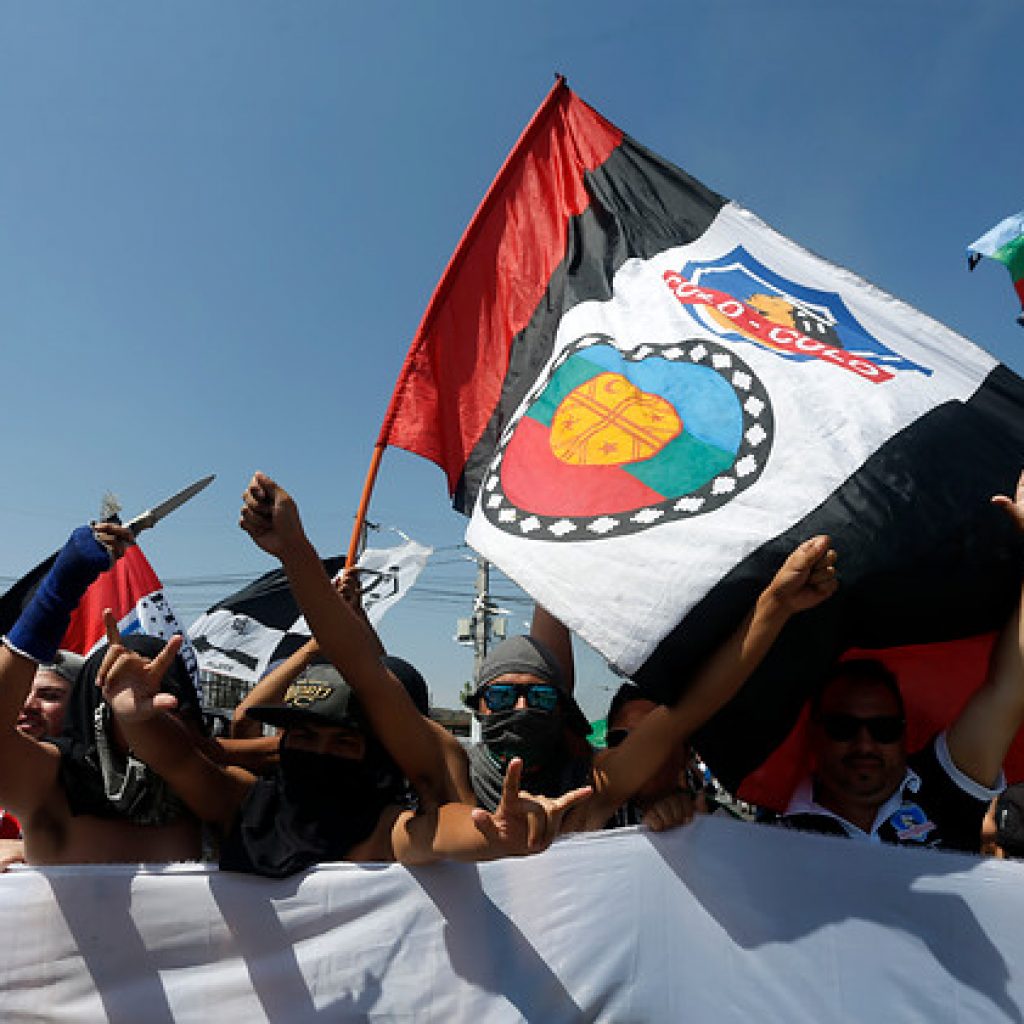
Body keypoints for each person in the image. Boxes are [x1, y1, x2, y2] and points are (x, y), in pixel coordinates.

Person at [93, 471, 590, 877]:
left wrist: (497, 834)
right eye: (305, 735)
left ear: (379, 756)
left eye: (345, 743)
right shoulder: (242, 804)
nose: (320, 752)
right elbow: (182, 761)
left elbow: (440, 830)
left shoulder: (385, 829)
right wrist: (135, 719)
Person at [459, 534, 839, 834]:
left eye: (540, 697)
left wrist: (775, 606)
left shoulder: (588, 790)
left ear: (561, 708)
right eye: (503, 696)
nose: (522, 709)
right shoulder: (452, 772)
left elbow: (687, 711)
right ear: (478, 705)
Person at [779, 470, 1024, 852]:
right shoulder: (771, 833)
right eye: (843, 727)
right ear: (814, 733)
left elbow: (1008, 689)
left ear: (905, 733)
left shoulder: (944, 789)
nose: (865, 744)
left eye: (884, 728)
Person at [0, 522, 203, 864]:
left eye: (162, 701)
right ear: (95, 709)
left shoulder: (211, 790)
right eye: (120, 697)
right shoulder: (52, 788)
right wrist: (57, 591)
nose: (142, 712)